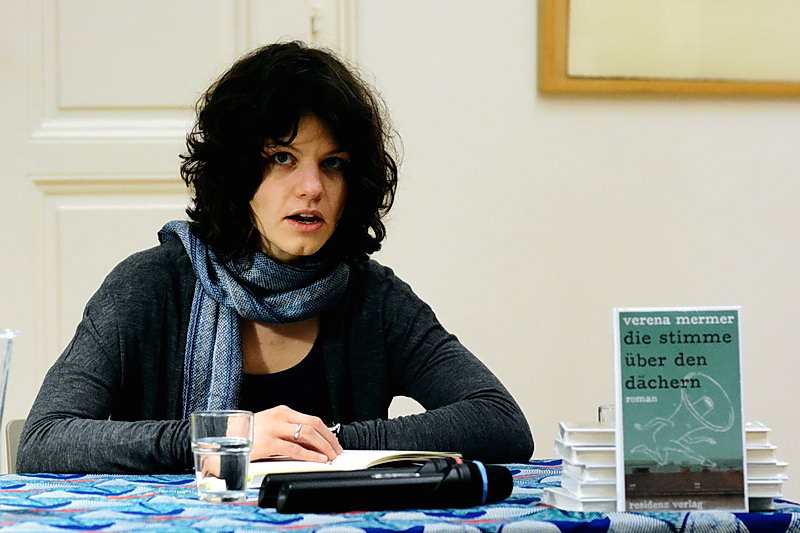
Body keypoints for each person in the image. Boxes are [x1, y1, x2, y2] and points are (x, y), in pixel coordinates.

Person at [17, 41, 534, 474]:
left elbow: (500, 422)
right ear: (236, 172)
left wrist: (324, 441)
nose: (312, 187)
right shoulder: (150, 285)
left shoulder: (372, 296)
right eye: (283, 158)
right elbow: (44, 440)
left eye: (333, 164)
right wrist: (222, 441)